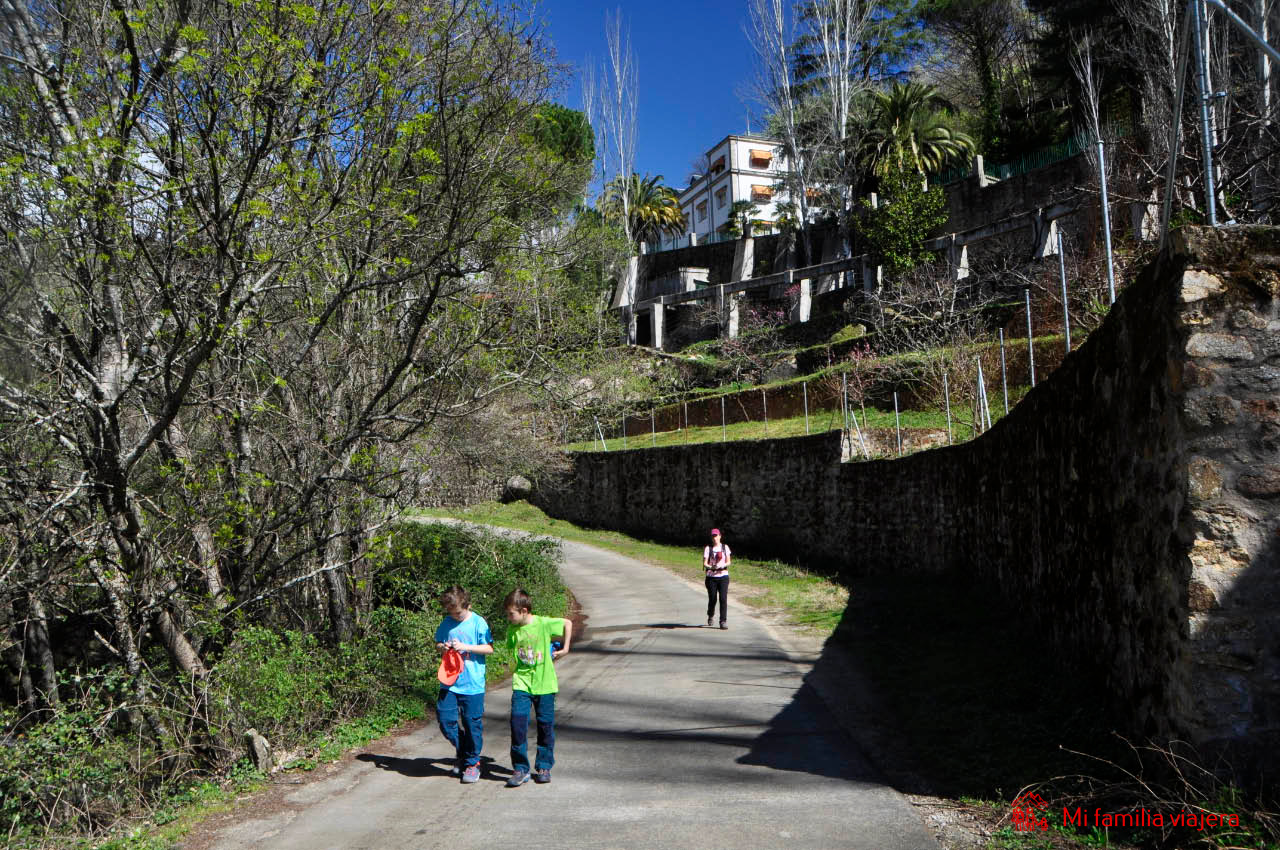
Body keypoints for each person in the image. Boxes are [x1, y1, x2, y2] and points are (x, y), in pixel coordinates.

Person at [502, 587, 572, 787]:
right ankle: (520, 768)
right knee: (518, 725)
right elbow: (513, 653)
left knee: (545, 726)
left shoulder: (543, 624)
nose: (509, 618)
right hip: (522, 683)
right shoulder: (512, 630)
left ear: (524, 611)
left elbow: (567, 623)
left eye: (511, 614)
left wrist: (565, 648)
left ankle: (543, 766)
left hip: (545, 685)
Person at [434, 585, 494, 784]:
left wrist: (465, 647)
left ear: (468, 605)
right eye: (451, 613)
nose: (455, 616)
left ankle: (472, 763)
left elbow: (489, 648)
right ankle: (466, 752)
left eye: (458, 612)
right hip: (450, 682)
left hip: (473, 684)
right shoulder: (447, 622)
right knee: (445, 720)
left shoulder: (478, 622)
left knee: (471, 723)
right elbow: (438, 643)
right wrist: (444, 647)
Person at [703, 528, 731, 630]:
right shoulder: (708, 549)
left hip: (723, 576)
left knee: (723, 599)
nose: (714, 538)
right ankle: (710, 614)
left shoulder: (725, 547)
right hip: (711, 577)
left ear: (720, 536)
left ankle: (723, 621)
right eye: (713, 536)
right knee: (713, 599)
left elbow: (729, 562)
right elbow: (705, 563)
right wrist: (711, 567)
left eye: (716, 536)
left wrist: (722, 565)